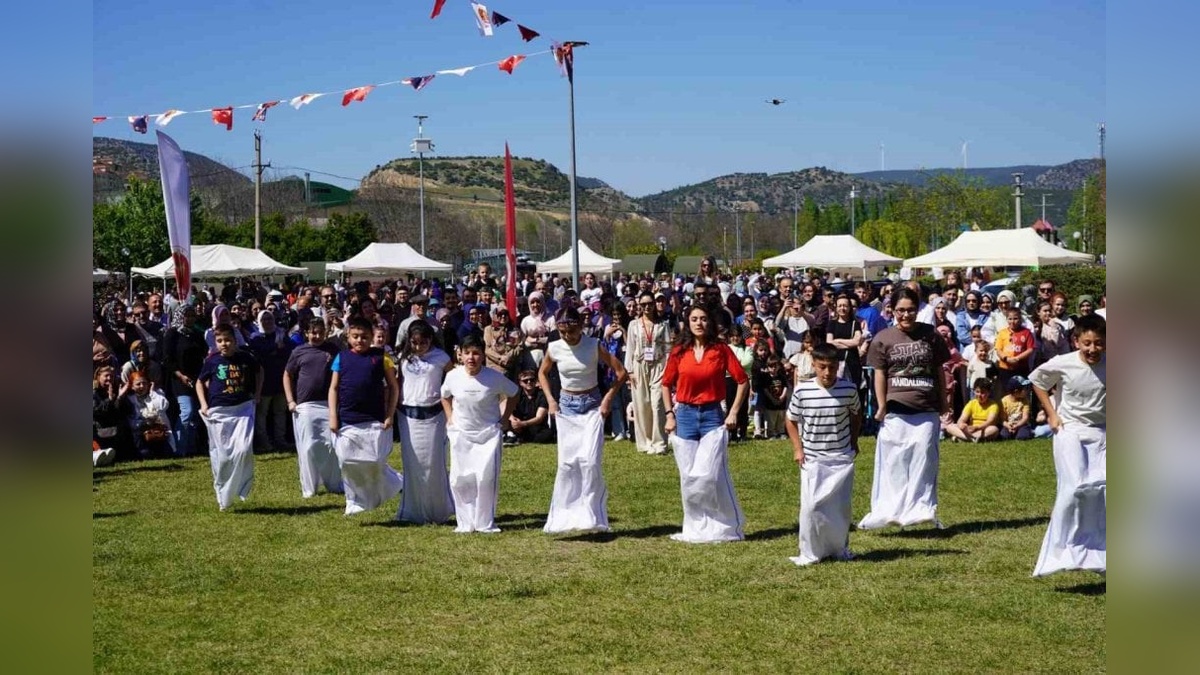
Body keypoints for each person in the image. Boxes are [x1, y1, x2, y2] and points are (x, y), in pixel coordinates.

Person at [859, 287, 951, 531]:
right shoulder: (883, 338)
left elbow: (940, 371)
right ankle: (889, 510)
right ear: (892, 311)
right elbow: (879, 374)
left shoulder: (931, 334)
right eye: (901, 310)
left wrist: (944, 401)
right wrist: (881, 405)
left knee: (924, 460)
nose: (906, 315)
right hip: (895, 411)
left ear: (917, 310)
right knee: (894, 462)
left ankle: (921, 509)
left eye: (910, 310)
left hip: (926, 409)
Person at [661, 305, 750, 543]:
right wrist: (670, 414)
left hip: (712, 415)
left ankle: (724, 525)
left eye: (703, 319)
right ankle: (694, 527)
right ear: (687, 322)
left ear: (709, 322)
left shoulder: (721, 349)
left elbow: (742, 380)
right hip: (686, 416)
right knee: (689, 476)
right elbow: (666, 383)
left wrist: (733, 412)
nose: (699, 323)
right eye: (694, 319)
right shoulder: (680, 351)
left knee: (711, 474)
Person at [539, 306, 628, 534]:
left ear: (580, 327)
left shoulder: (593, 345)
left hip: (592, 404)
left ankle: (591, 514)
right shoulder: (554, 347)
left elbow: (621, 372)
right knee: (567, 463)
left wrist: (608, 398)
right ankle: (566, 515)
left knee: (590, 461)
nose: (568, 337)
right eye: (563, 332)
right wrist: (550, 400)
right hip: (567, 406)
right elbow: (542, 372)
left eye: (572, 331)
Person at [1029, 315, 1106, 577]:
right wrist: (1051, 413)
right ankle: (1060, 552)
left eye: (1098, 343)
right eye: (1087, 343)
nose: (1093, 349)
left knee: (1103, 491)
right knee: (1074, 488)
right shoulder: (1064, 363)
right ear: (1076, 341)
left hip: (1102, 433)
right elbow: (1037, 381)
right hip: (1070, 430)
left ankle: (1097, 553)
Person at [784, 343, 862, 566]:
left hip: (840, 456)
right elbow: (791, 420)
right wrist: (797, 449)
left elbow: (855, 414)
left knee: (839, 508)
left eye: (832, 367)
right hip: (813, 457)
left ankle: (838, 548)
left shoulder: (848, 389)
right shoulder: (802, 390)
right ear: (814, 365)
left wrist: (853, 440)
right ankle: (809, 551)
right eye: (822, 367)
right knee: (811, 508)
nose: (828, 372)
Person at [441, 335, 519, 534]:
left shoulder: (494, 377)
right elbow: (444, 395)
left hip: (488, 436)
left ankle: (484, 523)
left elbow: (514, 393)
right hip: (462, 434)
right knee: (459, 479)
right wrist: (450, 418)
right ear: (460, 355)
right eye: (467, 353)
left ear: (483, 355)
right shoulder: (453, 376)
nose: (471, 358)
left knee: (485, 479)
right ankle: (465, 522)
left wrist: (504, 419)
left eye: (476, 353)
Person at [329, 316, 403, 516]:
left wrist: (389, 414)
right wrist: (332, 416)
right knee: (346, 460)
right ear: (348, 337)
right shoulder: (341, 357)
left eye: (364, 337)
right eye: (355, 336)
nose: (360, 340)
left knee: (375, 460)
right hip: (347, 418)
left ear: (372, 337)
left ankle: (394, 482)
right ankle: (352, 500)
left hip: (374, 418)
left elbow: (394, 387)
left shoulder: (381, 357)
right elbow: (334, 388)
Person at [196, 324, 262, 511]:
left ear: (235, 341)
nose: (224, 344)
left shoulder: (245, 357)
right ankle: (222, 492)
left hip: (242, 410)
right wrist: (203, 404)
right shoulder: (212, 361)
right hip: (219, 412)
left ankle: (241, 485)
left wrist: (257, 393)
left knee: (243, 449)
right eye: (219, 341)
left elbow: (259, 371)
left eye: (228, 340)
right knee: (224, 457)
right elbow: (200, 382)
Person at [395, 321, 456, 525]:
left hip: (434, 416)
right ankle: (412, 510)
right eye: (415, 342)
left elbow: (453, 380)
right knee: (412, 464)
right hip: (407, 415)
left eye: (424, 342)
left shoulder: (441, 357)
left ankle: (438, 510)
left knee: (434, 463)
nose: (419, 346)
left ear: (431, 339)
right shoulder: (403, 357)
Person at [283, 317, 344, 499]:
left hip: (328, 405)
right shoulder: (298, 351)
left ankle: (334, 483)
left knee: (332, 446)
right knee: (308, 446)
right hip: (305, 406)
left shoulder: (333, 350)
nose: (317, 336)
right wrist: (290, 401)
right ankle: (310, 487)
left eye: (320, 332)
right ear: (307, 333)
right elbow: (287, 375)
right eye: (313, 332)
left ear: (326, 332)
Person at [624, 292, 674, 455]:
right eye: (643, 304)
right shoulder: (634, 325)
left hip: (658, 366)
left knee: (657, 404)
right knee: (642, 404)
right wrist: (629, 370)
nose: (647, 307)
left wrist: (668, 369)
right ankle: (645, 442)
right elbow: (630, 348)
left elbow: (668, 349)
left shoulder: (663, 324)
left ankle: (660, 444)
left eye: (650, 303)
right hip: (639, 366)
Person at [161, 305, 208, 458]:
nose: (190, 318)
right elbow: (167, 359)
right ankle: (179, 449)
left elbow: (204, 353)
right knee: (186, 412)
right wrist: (181, 375)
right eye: (187, 315)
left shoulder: (196, 334)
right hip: (179, 380)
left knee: (195, 415)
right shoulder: (172, 334)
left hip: (196, 379)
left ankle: (191, 448)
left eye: (192, 315)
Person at [249, 310, 293, 453]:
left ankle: (280, 440)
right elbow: (259, 352)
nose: (267, 322)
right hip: (263, 382)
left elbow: (288, 350)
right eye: (264, 320)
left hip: (279, 380)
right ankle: (265, 442)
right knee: (262, 413)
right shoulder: (255, 337)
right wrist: (275, 348)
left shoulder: (280, 334)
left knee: (280, 412)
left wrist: (275, 350)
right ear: (259, 321)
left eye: (270, 319)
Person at [123, 370, 175, 459]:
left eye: (144, 383)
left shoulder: (156, 394)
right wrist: (145, 423)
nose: (142, 386)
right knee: (145, 454)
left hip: (160, 434)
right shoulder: (129, 400)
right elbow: (131, 422)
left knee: (166, 453)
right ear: (132, 386)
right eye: (138, 384)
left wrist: (152, 393)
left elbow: (162, 406)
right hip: (141, 435)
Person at [944, 378, 1001, 443]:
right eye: (977, 392)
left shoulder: (993, 405)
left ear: (988, 393)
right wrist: (961, 424)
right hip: (970, 429)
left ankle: (964, 438)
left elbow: (990, 421)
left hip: (984, 429)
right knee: (950, 426)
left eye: (982, 392)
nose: (979, 395)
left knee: (994, 429)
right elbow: (962, 419)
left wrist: (977, 427)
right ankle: (974, 439)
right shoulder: (971, 403)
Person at [508, 369, 555, 444]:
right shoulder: (516, 394)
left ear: (536, 381)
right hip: (518, 424)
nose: (529, 382)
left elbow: (539, 418)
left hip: (535, 426)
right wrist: (513, 419)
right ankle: (513, 435)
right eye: (525, 381)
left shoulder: (542, 395)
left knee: (547, 434)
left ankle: (518, 438)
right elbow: (504, 408)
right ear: (520, 383)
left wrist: (523, 424)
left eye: (532, 380)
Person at [826, 294, 864, 387]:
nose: (842, 308)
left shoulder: (855, 324)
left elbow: (857, 342)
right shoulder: (832, 323)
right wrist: (849, 343)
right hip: (837, 361)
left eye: (845, 306)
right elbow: (829, 342)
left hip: (852, 362)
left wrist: (838, 341)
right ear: (836, 307)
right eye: (840, 306)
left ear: (849, 308)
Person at [995, 307, 1035, 390]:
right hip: (1005, 368)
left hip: (1021, 368)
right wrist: (1006, 358)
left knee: (1020, 391)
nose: (1012, 321)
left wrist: (1017, 358)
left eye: (1015, 319)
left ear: (1020, 319)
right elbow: (998, 349)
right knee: (1006, 391)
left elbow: (1030, 349)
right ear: (1007, 319)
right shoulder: (1002, 333)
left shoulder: (1026, 332)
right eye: (1010, 319)